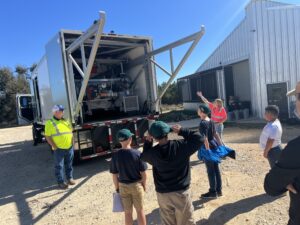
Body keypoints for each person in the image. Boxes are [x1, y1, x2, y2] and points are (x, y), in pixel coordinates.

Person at [141, 121, 203, 225]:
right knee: (186, 222)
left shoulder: (152, 154)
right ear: (168, 134)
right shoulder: (181, 146)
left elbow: (143, 156)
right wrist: (182, 131)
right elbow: (200, 138)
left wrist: (148, 142)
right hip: (181, 192)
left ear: (154, 138)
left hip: (163, 194)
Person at [264, 82, 300, 225]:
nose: (295, 103)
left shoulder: (295, 149)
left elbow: (271, 186)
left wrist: (283, 179)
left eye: (297, 97)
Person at [110, 129, 147, 225]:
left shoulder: (115, 155)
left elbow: (114, 175)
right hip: (136, 185)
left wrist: (117, 188)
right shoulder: (137, 153)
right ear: (130, 139)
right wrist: (144, 184)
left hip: (123, 186)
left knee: (127, 213)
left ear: (119, 141)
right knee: (140, 211)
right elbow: (143, 174)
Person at [45, 105, 75, 189]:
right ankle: (61, 182)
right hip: (59, 149)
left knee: (69, 164)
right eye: (61, 111)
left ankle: (69, 178)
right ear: (55, 112)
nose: (63, 112)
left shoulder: (66, 121)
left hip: (69, 147)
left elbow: (71, 132)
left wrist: (73, 142)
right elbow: (48, 136)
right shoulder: (49, 123)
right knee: (59, 166)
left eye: (63, 111)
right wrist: (54, 146)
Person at [197, 104, 223, 198]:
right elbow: (215, 134)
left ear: (202, 112)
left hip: (208, 147)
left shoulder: (202, 123)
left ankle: (213, 192)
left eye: (199, 109)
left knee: (210, 171)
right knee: (216, 169)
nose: (197, 111)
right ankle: (219, 190)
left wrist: (207, 151)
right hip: (214, 145)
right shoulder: (211, 120)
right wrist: (220, 145)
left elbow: (205, 139)